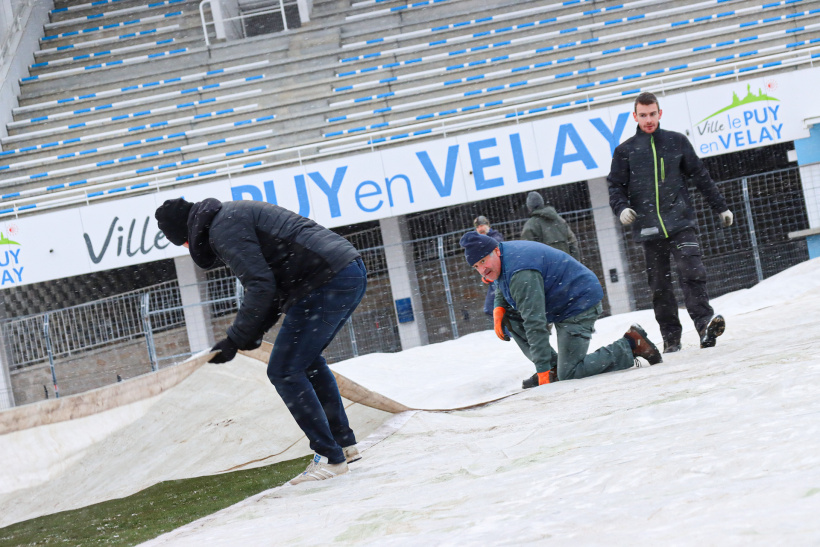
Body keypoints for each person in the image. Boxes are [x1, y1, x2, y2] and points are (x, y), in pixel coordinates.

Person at [155, 197, 367, 485]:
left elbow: (261, 285)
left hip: (324, 280)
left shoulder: (222, 229)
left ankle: (331, 457)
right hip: (343, 270)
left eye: (182, 244)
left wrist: (234, 339)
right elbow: (273, 286)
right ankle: (344, 445)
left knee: (284, 370)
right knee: (307, 363)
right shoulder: (230, 215)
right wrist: (250, 334)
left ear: (186, 235)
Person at [607, 91, 733, 353]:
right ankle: (671, 339)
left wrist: (721, 207)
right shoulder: (625, 151)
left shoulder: (677, 142)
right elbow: (615, 187)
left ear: (660, 113)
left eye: (653, 114)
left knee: (692, 272)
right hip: (649, 230)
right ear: (635, 116)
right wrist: (622, 209)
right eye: (643, 115)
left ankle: (705, 325)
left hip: (680, 223)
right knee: (660, 288)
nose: (649, 119)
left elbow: (700, 176)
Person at [459, 231, 662, 389]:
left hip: (578, 304)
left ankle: (632, 344)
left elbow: (535, 323)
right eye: (476, 266)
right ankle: (553, 366)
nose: (482, 269)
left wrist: (542, 372)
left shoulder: (521, 272)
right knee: (508, 316)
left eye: (483, 261)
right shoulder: (503, 255)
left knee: (571, 372)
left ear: (495, 251)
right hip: (560, 303)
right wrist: (498, 308)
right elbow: (502, 282)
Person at [521, 191, 580, 260]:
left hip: (547, 267)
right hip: (566, 264)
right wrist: (575, 262)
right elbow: (573, 243)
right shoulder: (560, 220)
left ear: (529, 207)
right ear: (542, 203)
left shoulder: (531, 225)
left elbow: (528, 251)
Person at [474, 215, 505, 317]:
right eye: (478, 227)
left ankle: (512, 331)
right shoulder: (480, 241)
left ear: (488, 225)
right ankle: (509, 331)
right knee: (490, 309)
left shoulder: (495, 238)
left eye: (482, 225)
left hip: (500, 278)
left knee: (494, 308)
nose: (480, 228)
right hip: (493, 281)